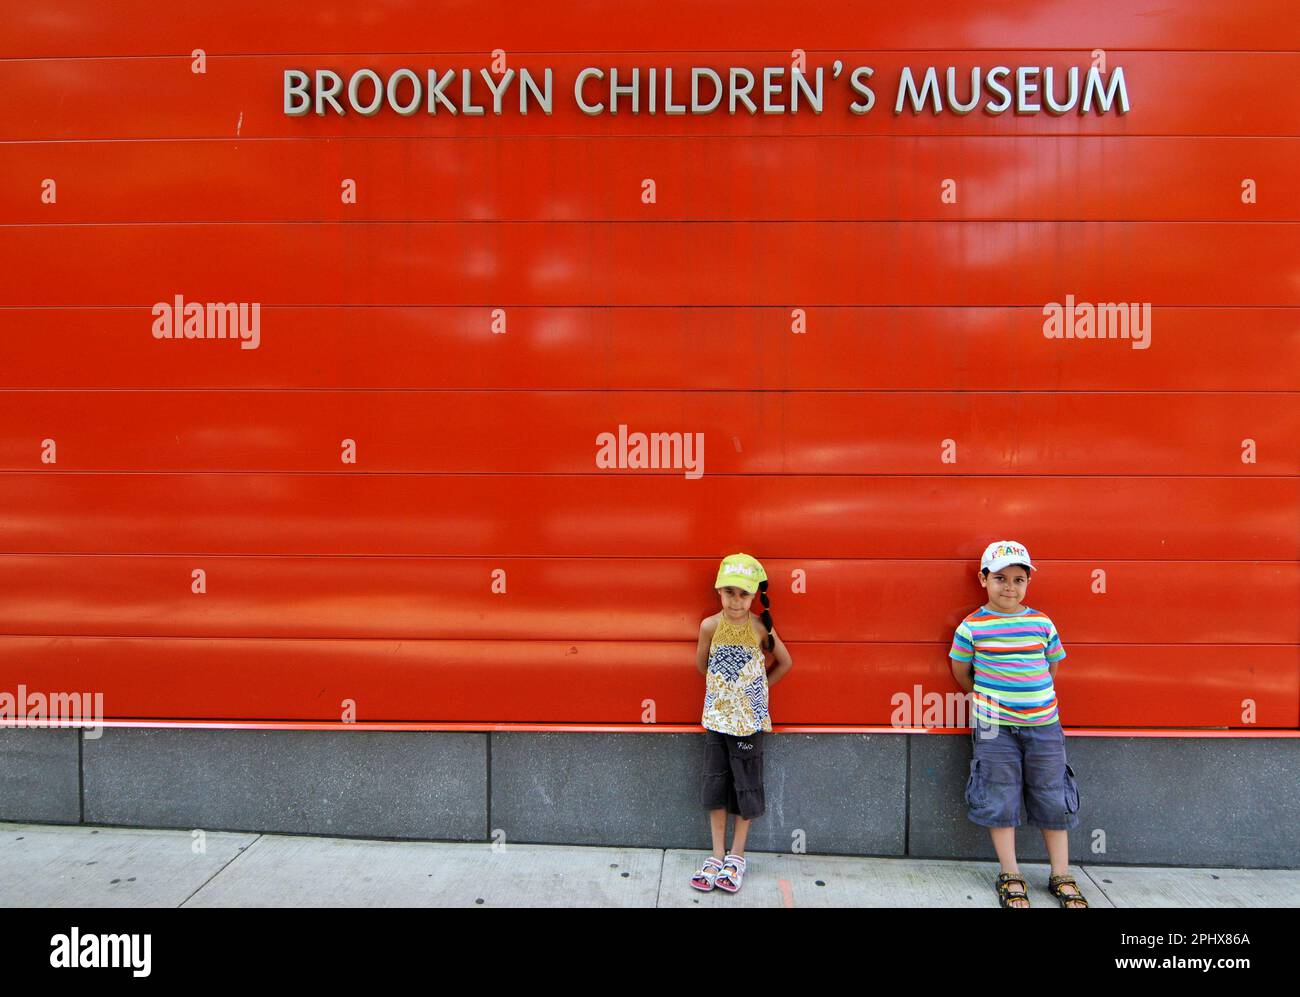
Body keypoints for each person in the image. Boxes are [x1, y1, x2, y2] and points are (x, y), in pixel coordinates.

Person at [948, 540, 1088, 909]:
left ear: (1027, 583)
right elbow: (962, 672)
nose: (1009, 586)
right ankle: (1010, 873)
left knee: (1052, 794)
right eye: (1000, 578)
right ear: (983, 579)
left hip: (1043, 725)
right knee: (999, 792)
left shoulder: (1041, 622)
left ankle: (1061, 874)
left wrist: (1030, 701)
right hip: (994, 728)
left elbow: (1051, 668)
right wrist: (989, 702)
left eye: (1018, 579)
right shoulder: (972, 627)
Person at [689, 553, 793, 894]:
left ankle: (737, 855)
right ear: (718, 591)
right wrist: (726, 691)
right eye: (729, 592)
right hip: (717, 722)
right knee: (716, 785)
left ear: (755, 596)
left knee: (745, 786)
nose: (736, 601)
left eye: (743, 594)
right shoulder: (709, 626)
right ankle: (716, 854)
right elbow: (702, 665)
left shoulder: (760, 627)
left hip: (748, 725)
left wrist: (755, 691)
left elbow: (785, 663)